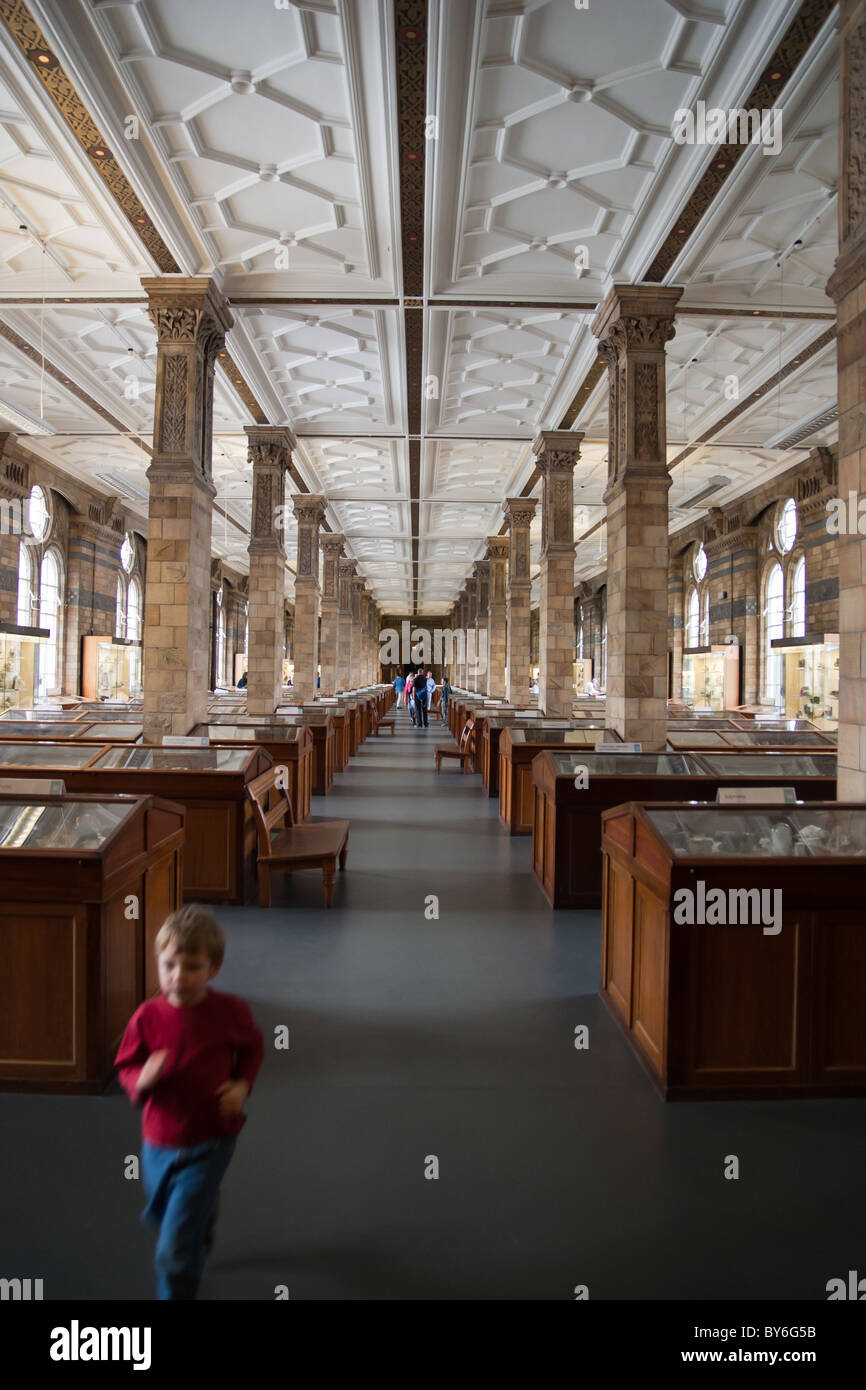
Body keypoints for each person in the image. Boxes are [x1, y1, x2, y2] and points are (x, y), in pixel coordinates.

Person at [115, 905, 264, 1301]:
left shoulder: (230, 1013)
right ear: (158, 965)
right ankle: (204, 1216)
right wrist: (141, 1078)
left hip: (213, 1137)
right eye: (169, 966)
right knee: (166, 1210)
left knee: (174, 1243)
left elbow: (252, 1049)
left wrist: (241, 1086)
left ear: (213, 969)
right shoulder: (146, 1018)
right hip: (159, 1141)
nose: (178, 977)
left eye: (192, 967)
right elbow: (126, 1065)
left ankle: (177, 1285)